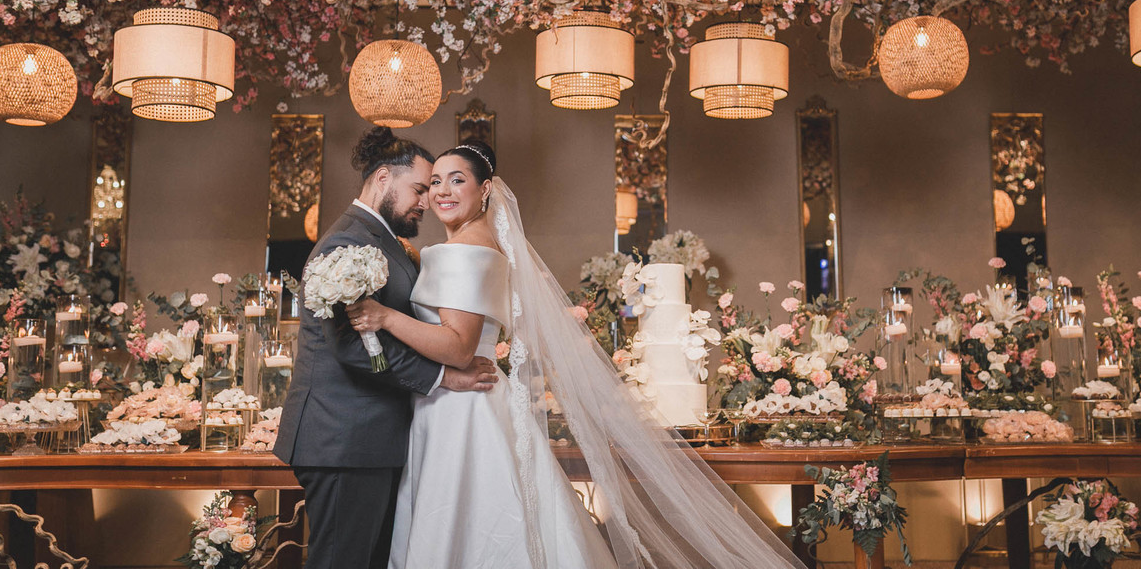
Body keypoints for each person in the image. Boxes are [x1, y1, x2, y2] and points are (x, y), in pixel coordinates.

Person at [347, 140, 802, 569]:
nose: (442, 192)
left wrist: (385, 317)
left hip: (459, 409)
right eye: (435, 182)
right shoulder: (480, 244)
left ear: (485, 190)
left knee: (460, 523)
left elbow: (459, 348)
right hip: (472, 401)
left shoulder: (462, 251)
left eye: (457, 180)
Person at [273, 128, 497, 569]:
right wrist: (444, 377)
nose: (426, 201)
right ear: (382, 179)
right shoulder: (346, 242)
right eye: (420, 188)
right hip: (345, 439)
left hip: (372, 440)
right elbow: (352, 346)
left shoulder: (383, 240)